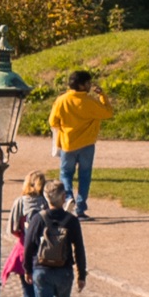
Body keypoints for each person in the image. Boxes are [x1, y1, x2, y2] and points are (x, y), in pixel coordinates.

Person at [27, 186, 89, 297]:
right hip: (64, 272)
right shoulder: (71, 220)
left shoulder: (39, 219)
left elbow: (29, 246)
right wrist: (81, 274)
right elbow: (79, 249)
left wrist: (27, 269)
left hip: (42, 271)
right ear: (63, 198)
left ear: (46, 198)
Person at [47, 65, 108, 210]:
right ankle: (80, 206)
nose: (90, 85)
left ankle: (68, 198)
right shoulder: (90, 101)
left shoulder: (62, 100)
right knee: (85, 175)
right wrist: (102, 96)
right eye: (88, 83)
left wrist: (63, 128)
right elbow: (107, 113)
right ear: (81, 85)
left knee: (66, 174)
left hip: (68, 143)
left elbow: (52, 122)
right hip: (87, 144)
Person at [8, 175, 50, 297]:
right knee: (44, 292)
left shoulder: (20, 202)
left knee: (28, 292)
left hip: (24, 252)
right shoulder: (46, 203)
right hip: (44, 254)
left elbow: (13, 228)